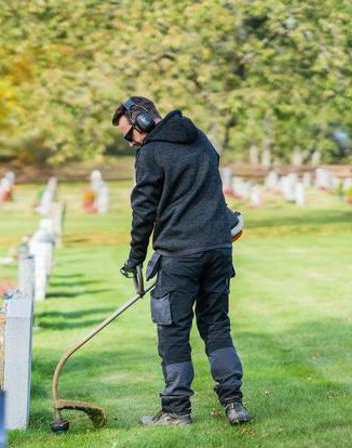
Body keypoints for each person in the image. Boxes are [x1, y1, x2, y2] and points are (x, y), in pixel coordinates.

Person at [112, 96, 250, 426]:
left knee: (172, 330)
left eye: (129, 134)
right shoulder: (199, 137)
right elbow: (210, 189)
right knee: (216, 324)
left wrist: (134, 257)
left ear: (142, 121)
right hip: (218, 248)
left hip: (179, 255)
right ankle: (234, 403)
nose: (130, 142)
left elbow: (143, 210)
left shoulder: (151, 153)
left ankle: (176, 411)